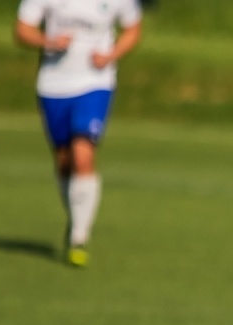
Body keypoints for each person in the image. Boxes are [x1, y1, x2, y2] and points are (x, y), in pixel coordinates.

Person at [14, 0, 142, 267]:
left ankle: (79, 237)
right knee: (64, 162)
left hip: (96, 82)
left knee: (83, 154)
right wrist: (47, 41)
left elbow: (133, 28)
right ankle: (77, 214)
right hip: (53, 86)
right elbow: (22, 30)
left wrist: (111, 55)